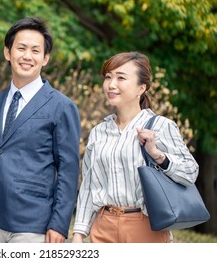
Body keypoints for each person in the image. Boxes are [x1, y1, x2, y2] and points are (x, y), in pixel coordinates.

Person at [0, 17, 81, 243]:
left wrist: (59, 224)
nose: (27, 56)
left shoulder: (61, 106)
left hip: (33, 223)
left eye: (35, 50)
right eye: (21, 48)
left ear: (45, 58)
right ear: (7, 53)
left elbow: (68, 171)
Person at [72, 51, 199, 243]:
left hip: (146, 227)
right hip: (103, 228)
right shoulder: (99, 132)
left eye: (121, 78)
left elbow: (191, 172)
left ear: (141, 88)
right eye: (108, 77)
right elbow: (89, 186)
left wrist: (157, 155)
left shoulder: (160, 126)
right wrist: (79, 234)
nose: (111, 84)